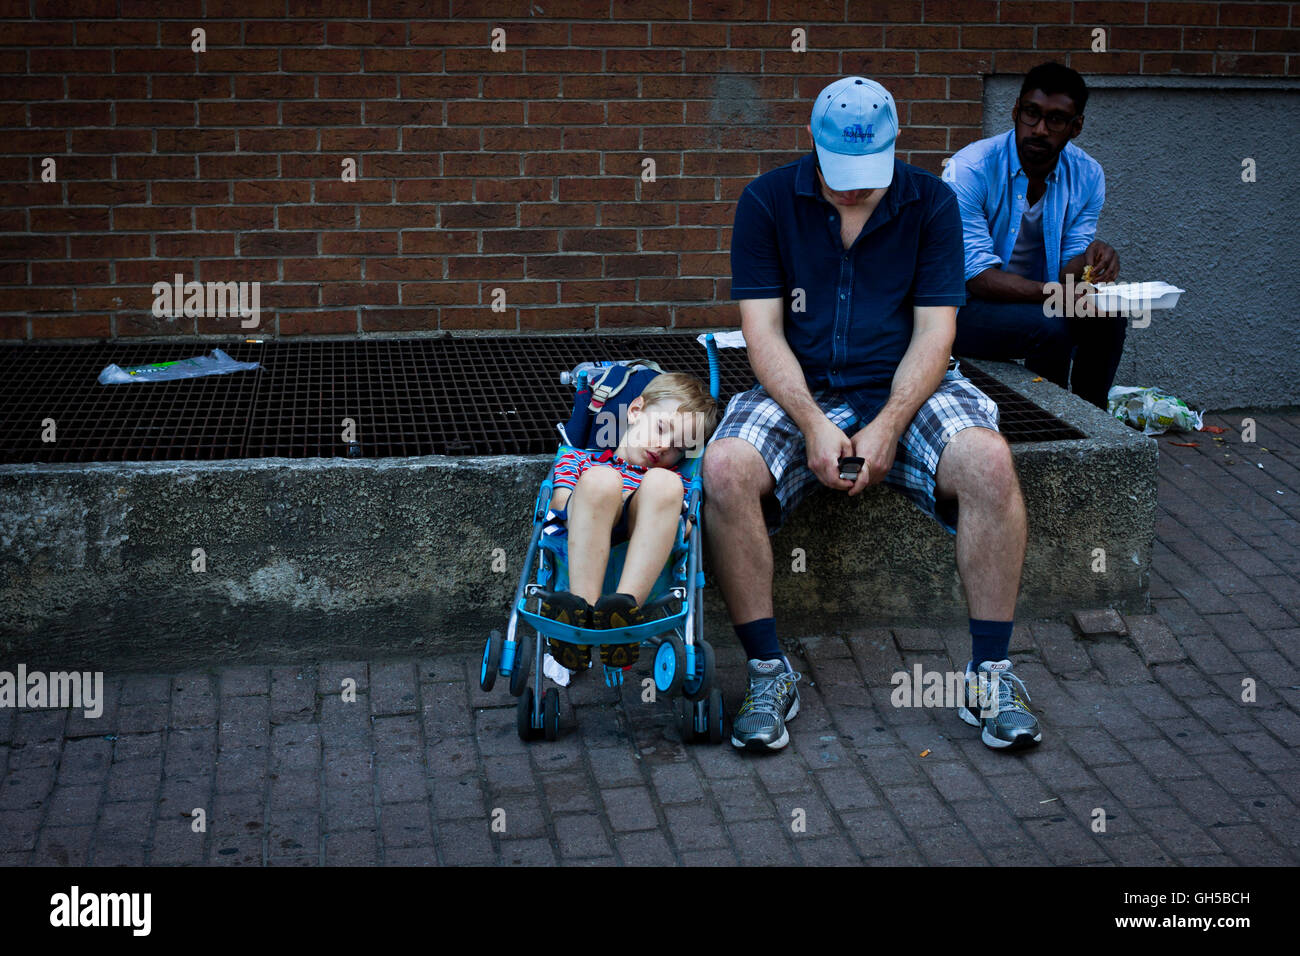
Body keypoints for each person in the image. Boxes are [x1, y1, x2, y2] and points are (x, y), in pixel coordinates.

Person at [704, 76, 1041, 754]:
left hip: (908, 384)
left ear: (894, 145)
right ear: (812, 145)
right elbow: (763, 334)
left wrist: (887, 424)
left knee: (990, 461)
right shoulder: (766, 202)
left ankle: (990, 673)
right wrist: (813, 424)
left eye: (870, 173)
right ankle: (769, 670)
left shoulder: (932, 203)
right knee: (722, 468)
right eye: (841, 175)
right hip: (801, 385)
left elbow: (935, 333)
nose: (856, 190)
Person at [944, 61, 1124, 410]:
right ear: (1015, 112)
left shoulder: (1087, 175)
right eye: (1031, 114)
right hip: (963, 309)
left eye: (1056, 119)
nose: (1039, 129)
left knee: (1107, 315)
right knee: (1053, 325)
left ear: (1076, 127)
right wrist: (1058, 295)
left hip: (1038, 300)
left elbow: (1067, 273)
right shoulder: (970, 169)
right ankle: (1046, 429)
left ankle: (1093, 423)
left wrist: (1091, 258)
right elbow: (977, 277)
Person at [540, 372, 719, 671]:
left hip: (645, 535)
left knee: (664, 484)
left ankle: (623, 613)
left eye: (678, 446)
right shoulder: (582, 460)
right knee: (600, 480)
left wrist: (645, 499)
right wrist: (614, 496)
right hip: (585, 527)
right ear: (636, 411)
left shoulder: (675, 481)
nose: (664, 446)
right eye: (661, 428)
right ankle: (579, 613)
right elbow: (558, 506)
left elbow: (683, 529)